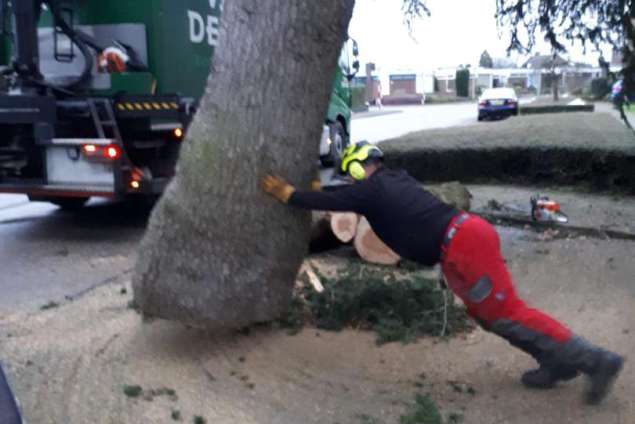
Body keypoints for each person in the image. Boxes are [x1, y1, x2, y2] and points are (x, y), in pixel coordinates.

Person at [261, 141, 624, 405]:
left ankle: (596, 360)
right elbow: (345, 194)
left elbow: (337, 200)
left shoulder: (373, 189)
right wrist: (323, 187)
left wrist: (291, 194)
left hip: (464, 245)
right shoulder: (392, 180)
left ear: (358, 166)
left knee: (510, 311)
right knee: (487, 315)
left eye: (352, 173)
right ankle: (556, 362)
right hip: (459, 247)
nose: (353, 179)